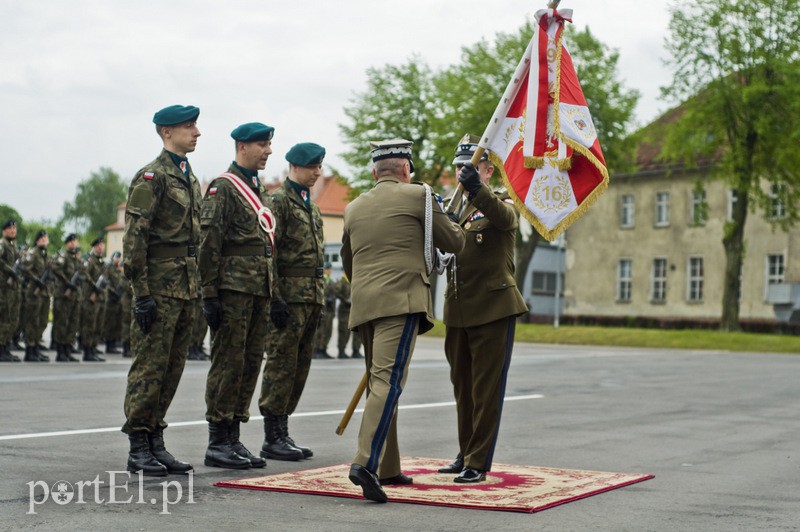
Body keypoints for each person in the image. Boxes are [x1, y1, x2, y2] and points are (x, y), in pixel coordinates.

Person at [341, 138, 465, 503]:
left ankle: (389, 466)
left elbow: (350, 263)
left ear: (373, 171)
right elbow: (455, 243)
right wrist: (448, 219)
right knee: (387, 384)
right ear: (406, 169)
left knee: (379, 383)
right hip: (401, 301)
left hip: (364, 305)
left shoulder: (353, 207)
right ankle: (365, 463)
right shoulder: (420, 197)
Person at [438, 134, 529, 483]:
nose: (462, 173)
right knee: (462, 387)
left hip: (493, 308)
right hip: (458, 309)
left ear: (487, 170)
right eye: (460, 167)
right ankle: (465, 452)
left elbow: (504, 219)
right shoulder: (452, 208)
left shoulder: (501, 201)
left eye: (470, 167)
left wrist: (477, 189)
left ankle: (478, 460)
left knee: (485, 390)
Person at [121, 104, 202, 477]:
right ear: (167, 132)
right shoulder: (152, 178)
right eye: (189, 127)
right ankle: (138, 444)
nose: (197, 132)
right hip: (159, 285)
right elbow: (135, 239)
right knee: (150, 368)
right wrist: (142, 293)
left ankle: (155, 438)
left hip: (185, 287)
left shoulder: (189, 178)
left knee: (172, 368)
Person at [199, 122, 277, 470]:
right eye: (262, 144)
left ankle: (233, 436)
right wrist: (209, 293)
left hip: (258, 292)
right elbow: (209, 243)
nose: (268, 151)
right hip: (232, 293)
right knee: (228, 363)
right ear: (242, 146)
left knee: (249, 363)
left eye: (270, 144)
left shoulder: (258, 190)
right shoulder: (224, 188)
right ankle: (218, 440)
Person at [257, 142, 326, 462]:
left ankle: (283, 430)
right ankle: (273, 435)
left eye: (320, 166)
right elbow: (269, 253)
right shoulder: (279, 202)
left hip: (310, 296)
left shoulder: (310, 205)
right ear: (295, 167)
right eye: (312, 166)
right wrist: (275, 297)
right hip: (288, 296)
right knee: (281, 365)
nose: (317, 172)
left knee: (299, 367)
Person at [21, 229, 51, 362]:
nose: (44, 240)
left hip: (44, 292)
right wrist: (36, 280)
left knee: (42, 321)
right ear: (37, 240)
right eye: (42, 238)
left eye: (46, 238)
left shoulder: (46, 255)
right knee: (32, 321)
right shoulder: (32, 253)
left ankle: (36, 348)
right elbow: (25, 269)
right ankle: (30, 350)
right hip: (33, 292)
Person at [51, 233, 81, 362]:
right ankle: (60, 351)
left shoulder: (77, 259)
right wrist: (68, 283)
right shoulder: (62, 257)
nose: (73, 243)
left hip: (75, 296)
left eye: (75, 241)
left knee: (72, 323)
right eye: (70, 241)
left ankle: (68, 349)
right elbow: (56, 270)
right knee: (62, 323)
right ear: (66, 244)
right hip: (63, 295)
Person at [79, 237, 107, 362]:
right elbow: (85, 275)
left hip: (101, 297)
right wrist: (94, 288)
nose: (101, 247)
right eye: (98, 245)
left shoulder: (103, 262)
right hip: (91, 297)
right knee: (89, 325)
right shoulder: (89, 261)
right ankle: (87, 351)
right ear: (94, 247)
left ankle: (94, 348)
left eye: (102, 245)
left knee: (98, 325)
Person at [0, 220, 22, 362]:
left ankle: (7, 347)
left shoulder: (13, 247)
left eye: (14, 228)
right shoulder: (2, 244)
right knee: (4, 319)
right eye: (10, 228)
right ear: (4, 231)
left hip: (13, 289)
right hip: (3, 288)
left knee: (12, 319)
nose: (13, 230)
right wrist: (10, 271)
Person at [334, 276, 362, 359]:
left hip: (356, 309)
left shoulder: (356, 279)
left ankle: (356, 350)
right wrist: (344, 300)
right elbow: (336, 291)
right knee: (344, 331)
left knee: (358, 331)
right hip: (345, 310)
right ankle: (341, 351)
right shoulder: (342, 281)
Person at [312, 262, 335, 359]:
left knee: (327, 330)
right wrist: (326, 299)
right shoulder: (323, 279)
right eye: (328, 269)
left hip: (329, 309)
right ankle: (317, 350)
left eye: (330, 269)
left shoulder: (330, 280)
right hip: (323, 309)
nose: (330, 271)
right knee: (320, 331)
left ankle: (323, 349)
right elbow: (320, 293)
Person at [102, 251, 124, 354]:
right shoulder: (109, 268)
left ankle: (114, 344)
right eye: (117, 257)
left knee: (116, 322)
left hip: (118, 299)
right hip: (111, 299)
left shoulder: (120, 269)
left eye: (119, 257)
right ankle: (109, 344)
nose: (118, 259)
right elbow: (106, 281)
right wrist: (113, 292)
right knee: (109, 322)